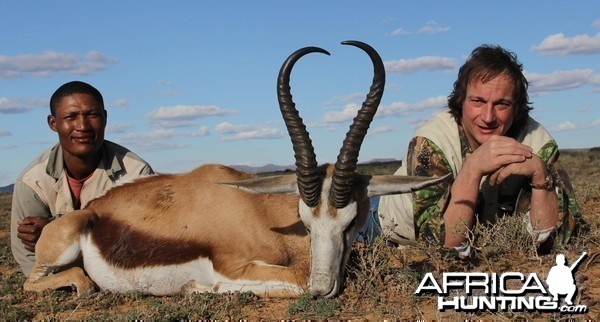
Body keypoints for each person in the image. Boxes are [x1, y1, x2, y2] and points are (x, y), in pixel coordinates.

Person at [378, 44, 581, 257]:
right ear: (461, 100)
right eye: (477, 101)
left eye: (502, 104)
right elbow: (440, 246)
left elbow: (563, 235)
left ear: (517, 107)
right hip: (396, 236)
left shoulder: (537, 141)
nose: (488, 117)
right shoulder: (432, 142)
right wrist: (472, 169)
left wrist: (541, 177)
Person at [11, 81, 154, 276]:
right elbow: (29, 260)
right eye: (71, 117)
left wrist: (54, 231)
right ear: (53, 123)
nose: (82, 126)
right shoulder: (32, 181)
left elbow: (144, 245)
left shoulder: (136, 174)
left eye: (92, 115)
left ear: (105, 118)